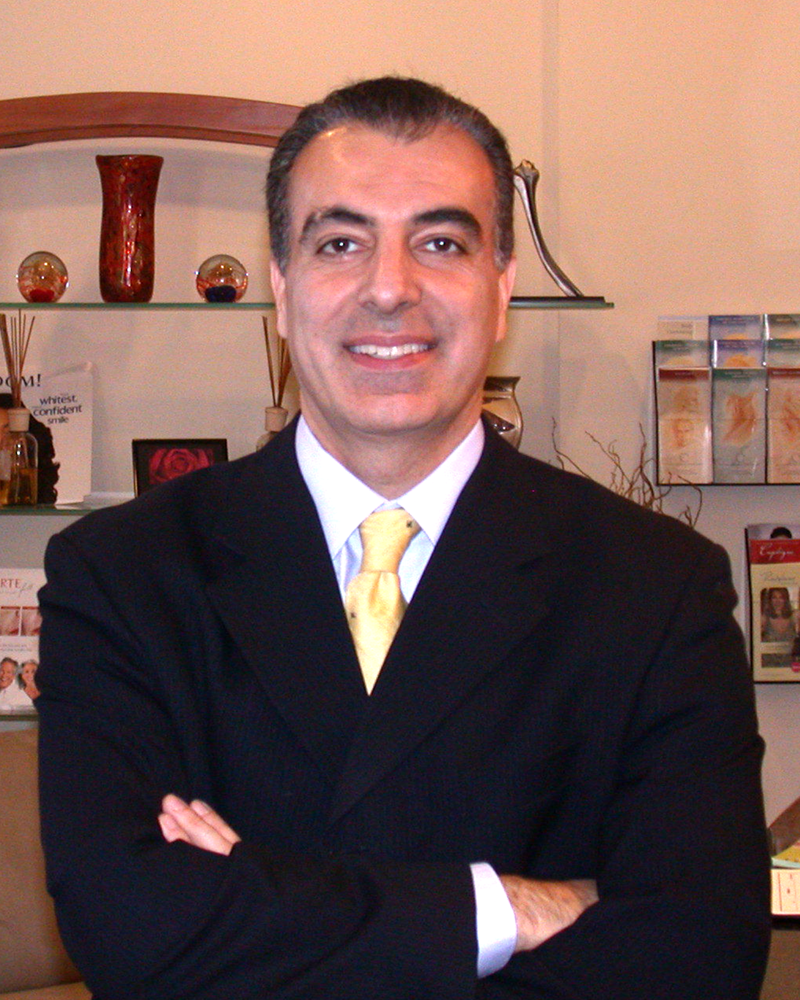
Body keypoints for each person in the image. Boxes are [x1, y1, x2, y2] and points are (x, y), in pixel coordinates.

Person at [36, 77, 770, 1000]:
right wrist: (500, 909)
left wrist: (252, 896)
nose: (390, 288)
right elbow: (129, 929)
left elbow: (698, 955)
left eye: (441, 242)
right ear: (281, 287)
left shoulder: (656, 587)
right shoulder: (123, 574)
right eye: (341, 243)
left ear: (501, 290)